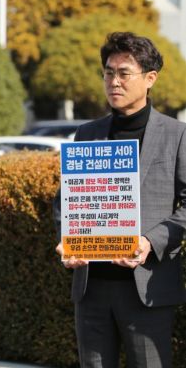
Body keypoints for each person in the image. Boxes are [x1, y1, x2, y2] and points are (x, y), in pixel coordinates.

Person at [53, 32, 186, 368]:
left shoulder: (177, 134)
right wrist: (66, 239)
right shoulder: (87, 133)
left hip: (147, 287)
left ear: (150, 78)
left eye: (124, 73)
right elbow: (64, 202)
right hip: (91, 288)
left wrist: (150, 242)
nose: (114, 81)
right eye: (108, 73)